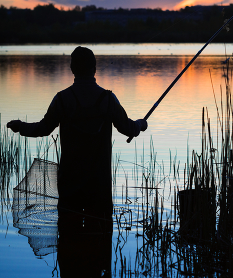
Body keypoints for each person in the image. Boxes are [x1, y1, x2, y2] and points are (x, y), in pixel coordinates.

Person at [7, 46, 147, 221]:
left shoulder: (62, 99)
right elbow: (128, 128)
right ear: (94, 68)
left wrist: (20, 126)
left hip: (69, 184)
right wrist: (141, 124)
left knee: (68, 236)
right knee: (99, 239)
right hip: (99, 186)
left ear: (72, 69)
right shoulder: (108, 99)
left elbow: (42, 128)